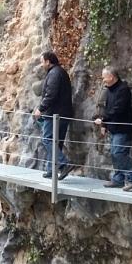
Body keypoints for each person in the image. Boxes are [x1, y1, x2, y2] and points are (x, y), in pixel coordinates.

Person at [94, 67, 132, 191]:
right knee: (114, 155)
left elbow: (118, 109)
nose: (103, 80)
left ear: (111, 77)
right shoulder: (109, 90)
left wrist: (103, 119)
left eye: (104, 77)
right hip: (113, 128)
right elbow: (107, 108)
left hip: (123, 128)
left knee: (119, 153)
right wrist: (104, 125)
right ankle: (118, 179)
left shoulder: (123, 90)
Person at [32, 51, 78, 179]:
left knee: (47, 139)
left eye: (42, 62)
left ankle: (64, 164)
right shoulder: (59, 72)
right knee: (56, 142)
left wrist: (40, 109)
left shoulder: (54, 74)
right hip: (64, 113)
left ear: (48, 61)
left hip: (55, 114)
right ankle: (51, 169)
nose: (41, 65)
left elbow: (51, 94)